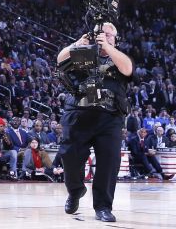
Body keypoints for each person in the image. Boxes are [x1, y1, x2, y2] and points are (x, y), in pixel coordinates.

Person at [57, 22, 133, 223]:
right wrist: (77, 43)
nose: (105, 37)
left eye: (110, 35)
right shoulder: (85, 54)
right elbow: (60, 60)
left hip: (110, 117)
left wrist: (108, 47)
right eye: (102, 34)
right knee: (69, 156)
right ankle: (75, 191)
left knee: (109, 162)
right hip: (78, 114)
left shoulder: (119, 59)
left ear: (116, 40)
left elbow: (128, 69)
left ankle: (103, 207)